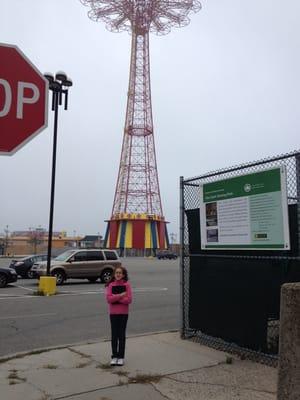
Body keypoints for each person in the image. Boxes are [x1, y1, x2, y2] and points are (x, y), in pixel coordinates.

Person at [105, 265, 132, 366]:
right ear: (114, 274)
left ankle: (121, 357)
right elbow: (109, 300)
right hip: (113, 313)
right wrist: (120, 296)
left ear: (123, 275)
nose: (118, 274)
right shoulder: (111, 285)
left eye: (120, 273)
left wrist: (115, 298)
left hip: (123, 314)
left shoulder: (127, 285)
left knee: (121, 335)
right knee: (114, 335)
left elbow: (129, 300)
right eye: (116, 273)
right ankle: (114, 356)